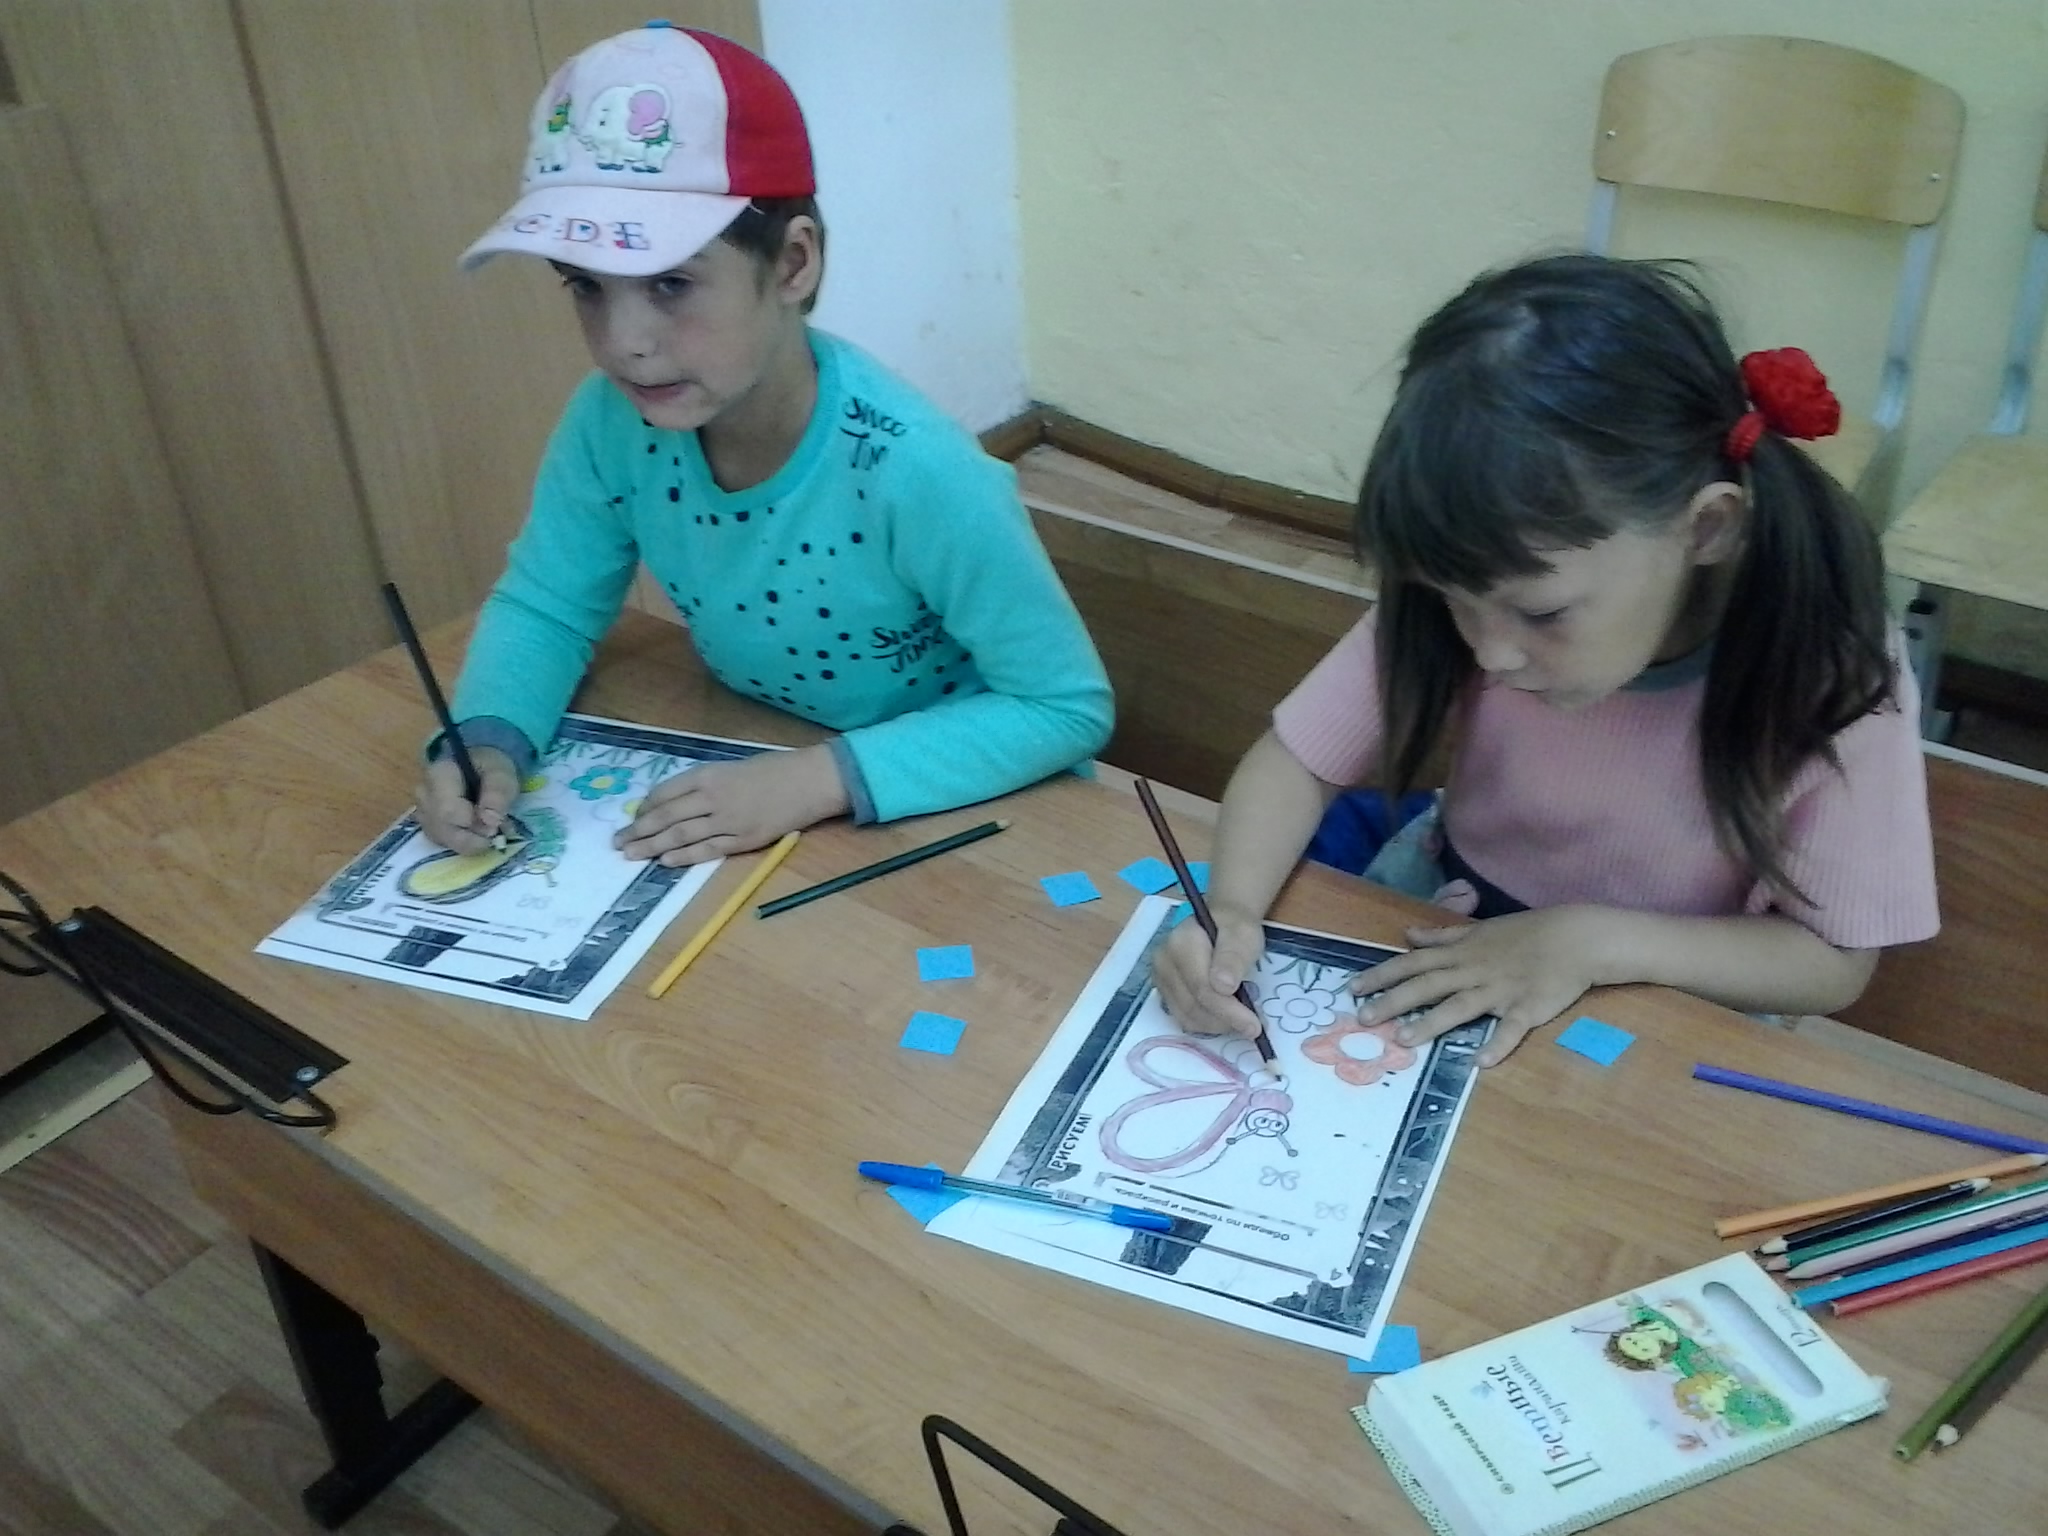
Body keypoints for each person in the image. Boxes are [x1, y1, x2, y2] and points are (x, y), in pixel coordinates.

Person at [1154, 254, 1936, 1066]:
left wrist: (1589, 942)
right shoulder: (1485, 574)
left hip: (1662, 995)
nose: (1490, 652)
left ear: (1706, 528)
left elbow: (1833, 962)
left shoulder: (1830, 671)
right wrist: (1229, 910)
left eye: (1542, 612)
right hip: (1449, 923)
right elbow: (1295, 762)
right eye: (1451, 600)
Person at [416, 21, 1111, 865]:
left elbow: (1062, 707)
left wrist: (814, 781)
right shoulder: (609, 424)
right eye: (586, 288)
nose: (624, 344)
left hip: (953, 808)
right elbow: (547, 604)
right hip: (757, 766)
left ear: (791, 264)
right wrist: (489, 738)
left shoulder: (917, 469)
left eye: (671, 283)